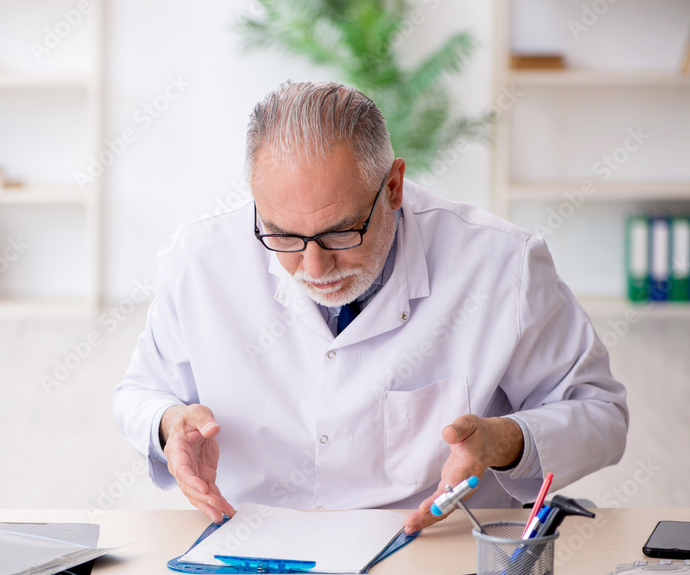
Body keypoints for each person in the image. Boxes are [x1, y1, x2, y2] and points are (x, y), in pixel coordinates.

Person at [113, 81, 628, 535]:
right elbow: (139, 391)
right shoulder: (200, 260)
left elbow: (601, 414)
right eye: (282, 235)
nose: (313, 268)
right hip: (248, 544)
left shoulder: (501, 264)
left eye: (340, 232)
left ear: (395, 186)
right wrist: (168, 423)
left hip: (432, 546)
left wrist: (503, 441)